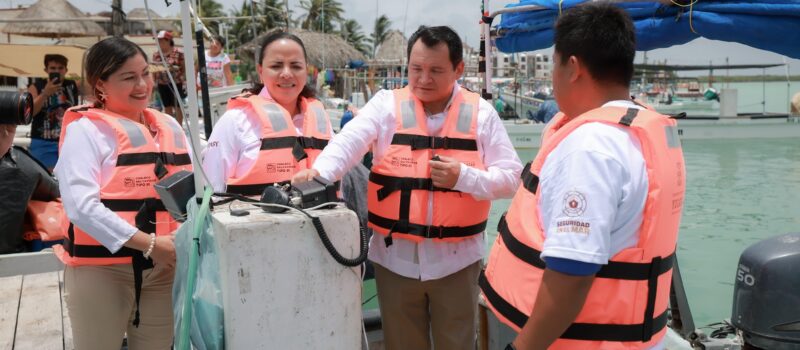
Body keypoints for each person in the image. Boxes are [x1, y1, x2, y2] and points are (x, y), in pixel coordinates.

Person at [292, 25, 522, 350]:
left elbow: (512, 177)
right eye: (416, 69)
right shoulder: (385, 105)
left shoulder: (482, 114)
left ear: (458, 69)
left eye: (435, 70)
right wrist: (319, 173)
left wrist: (465, 178)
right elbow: (350, 141)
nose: (423, 79)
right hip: (393, 260)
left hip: (456, 263)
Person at [479, 4, 686, 349]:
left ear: (572, 67)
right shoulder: (640, 128)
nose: (552, 78)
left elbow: (571, 276)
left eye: (554, 64)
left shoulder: (589, 148)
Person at [55, 37, 193, 350]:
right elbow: (81, 208)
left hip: (163, 270)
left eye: (146, 73)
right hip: (103, 270)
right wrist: (152, 245)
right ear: (99, 85)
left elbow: (194, 190)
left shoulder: (168, 124)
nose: (142, 84)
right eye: (129, 77)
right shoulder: (86, 131)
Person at [202, 30, 333, 196]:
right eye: (276, 66)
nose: (286, 73)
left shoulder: (322, 121)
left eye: (296, 66)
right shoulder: (235, 122)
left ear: (306, 71)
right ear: (260, 71)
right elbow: (211, 191)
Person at [27, 54, 81, 170]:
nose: (57, 71)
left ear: (66, 70)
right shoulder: (36, 86)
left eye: (61, 68)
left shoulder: (72, 85)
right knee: (44, 178)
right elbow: (30, 113)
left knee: (66, 177)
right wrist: (45, 93)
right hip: (43, 142)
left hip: (68, 141)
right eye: (53, 68)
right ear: (46, 70)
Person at [152, 30, 187, 125]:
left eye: (161, 41)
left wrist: (182, 79)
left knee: (178, 106)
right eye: (158, 41)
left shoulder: (178, 53)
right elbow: (154, 70)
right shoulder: (156, 55)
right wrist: (153, 83)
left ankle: (179, 126)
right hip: (162, 83)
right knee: (167, 106)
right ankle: (171, 126)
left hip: (176, 83)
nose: (159, 43)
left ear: (169, 41)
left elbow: (184, 68)